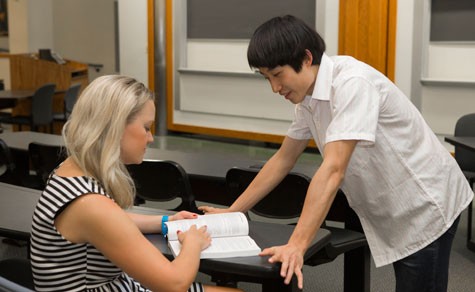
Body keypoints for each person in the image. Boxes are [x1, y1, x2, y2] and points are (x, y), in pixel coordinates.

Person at [199, 15, 474, 292]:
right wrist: (232, 213)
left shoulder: (352, 84)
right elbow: (282, 160)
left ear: (306, 58)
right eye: (266, 78)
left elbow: (333, 169)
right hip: (396, 204)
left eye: (278, 74)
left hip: (426, 204)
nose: (274, 87)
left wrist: (297, 245)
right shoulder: (307, 100)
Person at [29, 75, 241, 292]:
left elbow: (111, 221)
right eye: (146, 128)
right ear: (116, 127)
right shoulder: (90, 205)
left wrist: (166, 220)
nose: (150, 138)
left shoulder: (70, 170)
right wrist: (193, 244)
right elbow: (174, 284)